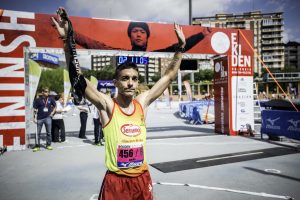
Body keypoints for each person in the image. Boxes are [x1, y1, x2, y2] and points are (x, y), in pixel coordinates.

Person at [52, 7, 185, 199]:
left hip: (142, 179)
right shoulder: (107, 105)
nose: (130, 82)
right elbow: (78, 79)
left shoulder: (142, 102)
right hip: (116, 182)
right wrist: (67, 40)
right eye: (125, 78)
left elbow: (169, 75)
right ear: (116, 82)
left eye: (134, 78)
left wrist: (180, 48)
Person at [68, 17, 210, 53]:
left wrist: (202, 34)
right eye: (134, 31)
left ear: (147, 36)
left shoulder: (157, 53)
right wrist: (69, 32)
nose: (138, 34)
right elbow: (92, 44)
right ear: (129, 36)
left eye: (142, 32)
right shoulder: (120, 53)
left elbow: (178, 48)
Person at [33, 87, 56, 152]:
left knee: (49, 132)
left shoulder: (51, 99)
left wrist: (52, 112)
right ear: (42, 92)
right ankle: (37, 146)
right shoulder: (38, 100)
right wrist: (34, 118)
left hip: (48, 117)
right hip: (39, 118)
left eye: (48, 91)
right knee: (38, 133)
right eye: (46, 91)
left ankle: (48, 145)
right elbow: (34, 109)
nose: (47, 93)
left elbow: (55, 106)